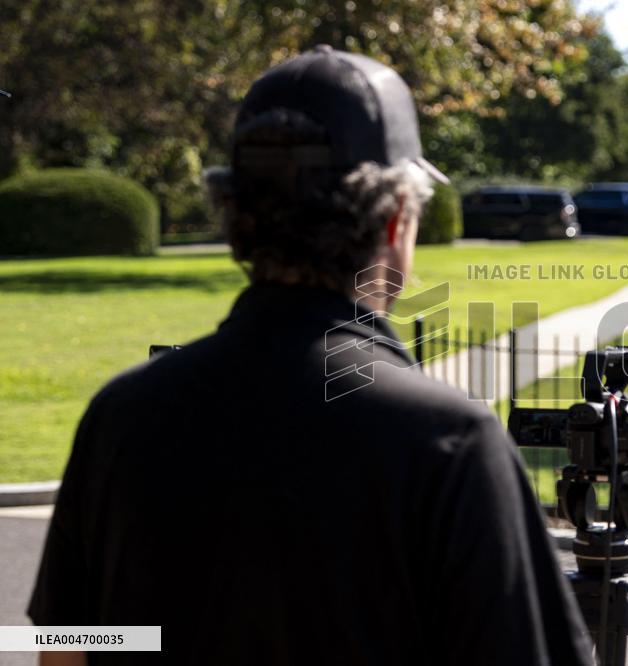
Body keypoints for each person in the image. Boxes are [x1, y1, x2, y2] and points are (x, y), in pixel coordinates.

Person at [29, 46, 592, 666]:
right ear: (395, 219)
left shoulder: (121, 415)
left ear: (237, 213)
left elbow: (63, 648)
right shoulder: (448, 442)